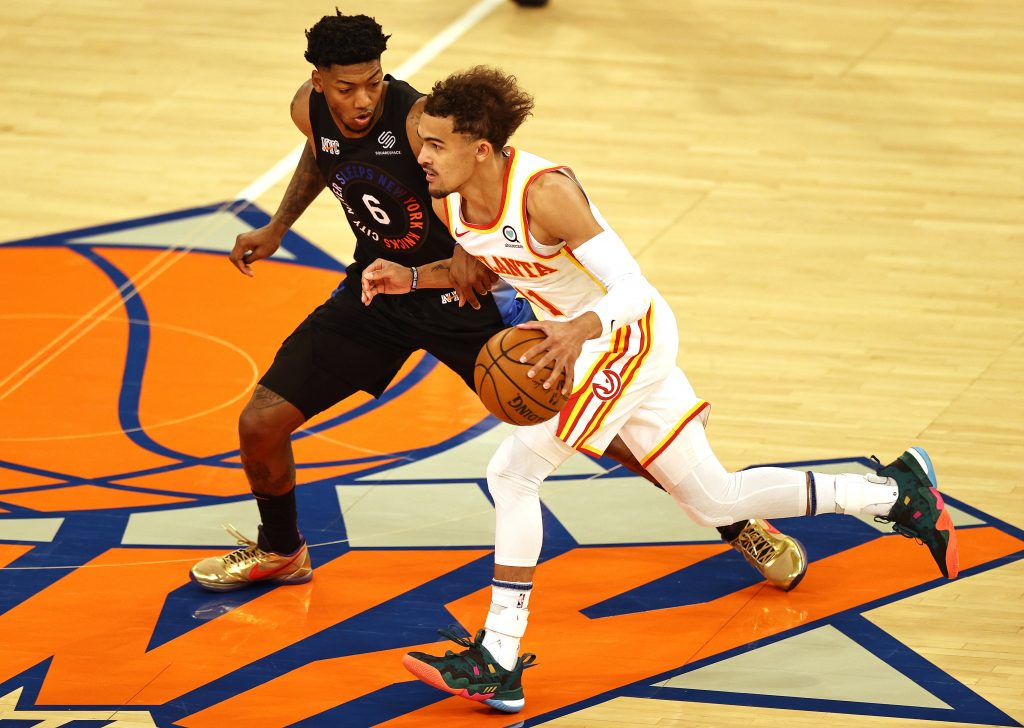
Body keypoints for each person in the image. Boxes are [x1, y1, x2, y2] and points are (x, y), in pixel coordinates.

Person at [359, 66, 960, 715]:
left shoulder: (545, 191)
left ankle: (499, 655)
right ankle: (896, 493)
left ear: (481, 149)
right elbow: (477, 266)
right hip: (586, 342)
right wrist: (411, 275)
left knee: (512, 473)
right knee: (712, 499)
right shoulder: (451, 197)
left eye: (435, 144)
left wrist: (574, 332)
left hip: (621, 339)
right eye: (422, 141)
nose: (419, 155)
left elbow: (633, 287)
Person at [189, 12, 807, 593]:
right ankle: (282, 549)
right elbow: (324, 156)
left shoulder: (418, 120)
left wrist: (470, 258)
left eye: (374, 83)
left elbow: (487, 181)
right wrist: (278, 224)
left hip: (466, 294)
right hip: (381, 286)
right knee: (261, 421)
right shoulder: (310, 112)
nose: (363, 100)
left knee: (600, 427)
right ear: (318, 81)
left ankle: (736, 520)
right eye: (347, 88)